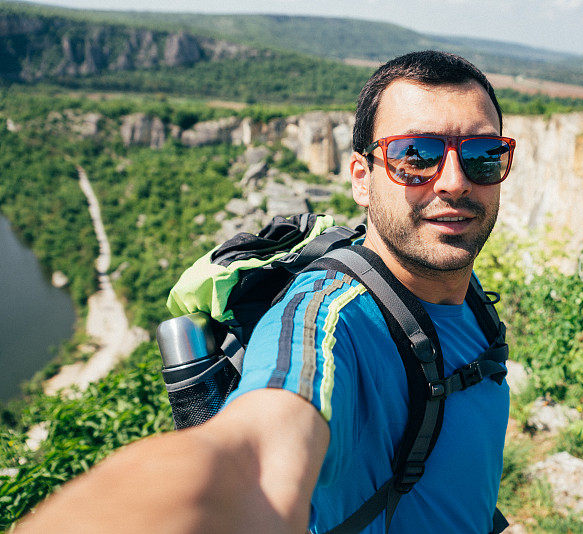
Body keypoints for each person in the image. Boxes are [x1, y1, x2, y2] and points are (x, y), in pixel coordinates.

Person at [17, 50, 515, 534]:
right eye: (416, 156)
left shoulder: (468, 299)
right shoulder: (324, 319)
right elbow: (254, 452)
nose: (454, 182)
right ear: (362, 179)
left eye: (483, 155)